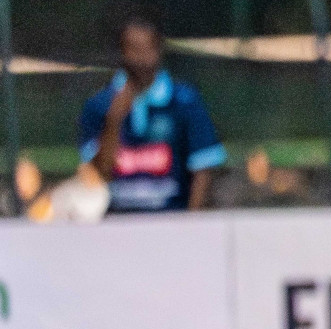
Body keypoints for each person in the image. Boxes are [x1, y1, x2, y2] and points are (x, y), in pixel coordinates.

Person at [79, 15, 225, 213]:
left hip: (172, 221)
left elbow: (203, 169)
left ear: (159, 51)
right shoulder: (100, 105)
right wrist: (113, 121)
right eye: (134, 49)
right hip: (116, 226)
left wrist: (190, 224)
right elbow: (99, 176)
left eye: (148, 49)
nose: (141, 59)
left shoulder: (184, 102)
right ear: (122, 53)